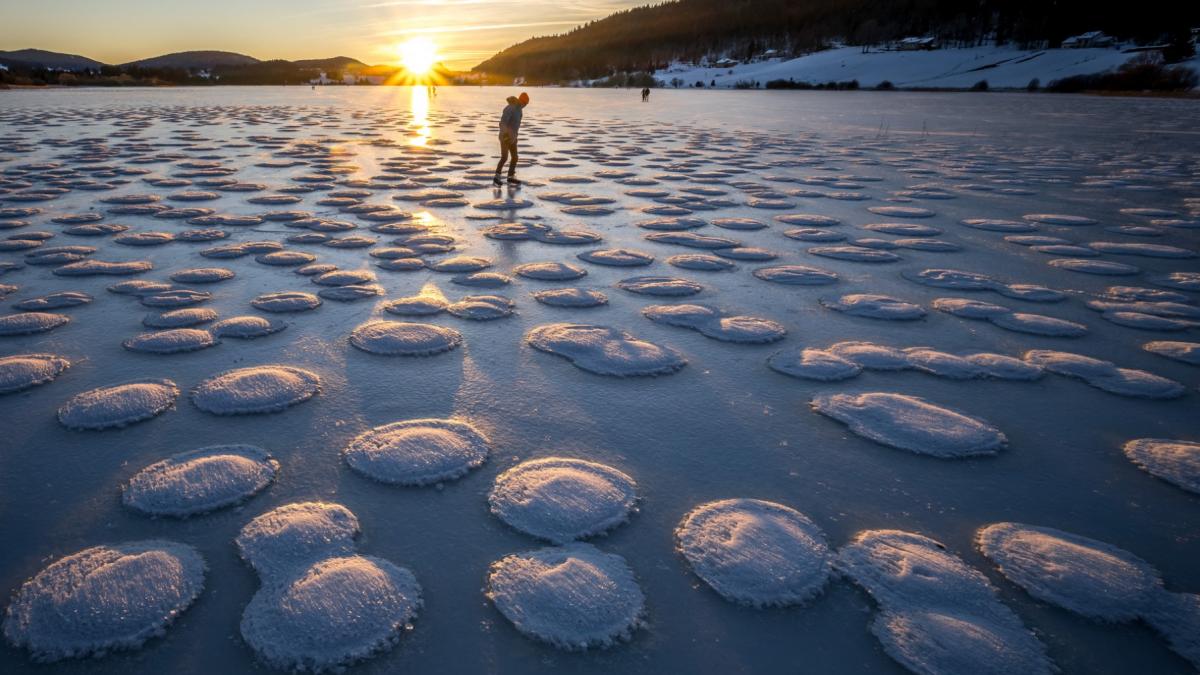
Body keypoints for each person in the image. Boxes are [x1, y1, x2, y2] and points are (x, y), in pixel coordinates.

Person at [494, 92, 529, 186]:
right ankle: (496, 177)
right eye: (525, 103)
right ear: (522, 101)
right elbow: (503, 122)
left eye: (526, 104)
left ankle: (510, 177)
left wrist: (515, 137)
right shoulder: (511, 107)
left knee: (515, 157)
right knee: (504, 157)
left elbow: (515, 125)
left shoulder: (519, 109)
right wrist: (505, 135)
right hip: (505, 137)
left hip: (513, 138)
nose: (525, 105)